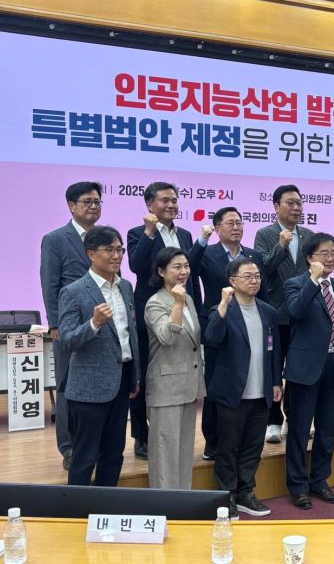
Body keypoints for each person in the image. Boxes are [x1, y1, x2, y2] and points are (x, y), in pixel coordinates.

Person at [58, 226, 140, 486]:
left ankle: (105, 505)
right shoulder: (73, 291)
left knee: (114, 454)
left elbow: (130, 335)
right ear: (91, 254)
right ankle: (77, 508)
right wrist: (93, 323)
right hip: (89, 388)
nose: (117, 256)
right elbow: (67, 340)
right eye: (109, 250)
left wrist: (135, 375)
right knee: (85, 456)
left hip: (122, 381)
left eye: (119, 250)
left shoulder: (125, 287)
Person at [127, 181, 200, 461]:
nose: (171, 205)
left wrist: (195, 308)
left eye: (174, 200)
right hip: (152, 311)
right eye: (164, 200)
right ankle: (142, 436)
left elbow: (190, 276)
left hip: (182, 308)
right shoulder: (138, 233)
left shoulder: (185, 234)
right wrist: (149, 232)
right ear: (149, 204)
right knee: (145, 374)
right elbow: (136, 266)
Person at [189, 206, 268, 459]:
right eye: (231, 223)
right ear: (217, 228)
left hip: (249, 325)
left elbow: (263, 293)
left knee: (247, 380)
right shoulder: (207, 253)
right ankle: (213, 440)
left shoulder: (253, 256)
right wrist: (202, 240)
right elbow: (190, 268)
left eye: (240, 222)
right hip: (218, 324)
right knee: (216, 384)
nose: (236, 227)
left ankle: (243, 438)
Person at [283, 233, 334, 509]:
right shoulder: (295, 284)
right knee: (300, 430)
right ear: (309, 257)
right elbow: (296, 311)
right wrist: (313, 280)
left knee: (327, 429)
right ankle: (298, 486)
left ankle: (320, 481)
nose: (330, 258)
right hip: (305, 368)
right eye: (324, 253)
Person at [205, 259, 281, 518]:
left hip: (261, 391)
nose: (254, 280)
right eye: (247, 276)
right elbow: (212, 339)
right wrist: (223, 306)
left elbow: (274, 349)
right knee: (228, 447)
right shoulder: (222, 309)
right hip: (232, 392)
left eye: (257, 276)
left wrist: (276, 381)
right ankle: (227, 495)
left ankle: (246, 492)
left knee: (252, 447)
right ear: (232, 281)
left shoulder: (268, 311)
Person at [40, 181, 102, 471]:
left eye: (97, 201)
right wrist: (55, 323)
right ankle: (68, 447)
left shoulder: (104, 237)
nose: (93, 206)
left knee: (96, 385)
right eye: (87, 201)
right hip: (69, 325)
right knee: (68, 386)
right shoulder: (55, 239)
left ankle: (93, 443)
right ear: (71, 206)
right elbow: (49, 283)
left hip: (101, 324)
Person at [254, 185, 314, 445]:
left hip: (304, 313)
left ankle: (295, 417)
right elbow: (261, 269)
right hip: (276, 313)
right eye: (290, 203)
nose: (296, 208)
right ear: (276, 206)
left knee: (298, 369)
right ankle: (273, 421)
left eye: (299, 203)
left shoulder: (309, 235)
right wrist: (280, 246)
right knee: (274, 368)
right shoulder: (265, 234)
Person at [143, 247, 205, 490]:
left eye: (186, 266)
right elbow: (167, 337)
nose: (184, 271)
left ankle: (183, 502)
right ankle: (165, 506)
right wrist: (177, 304)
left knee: (184, 451)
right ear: (161, 272)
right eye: (177, 267)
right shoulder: (155, 303)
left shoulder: (188, 298)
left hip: (188, 385)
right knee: (165, 454)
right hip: (166, 387)